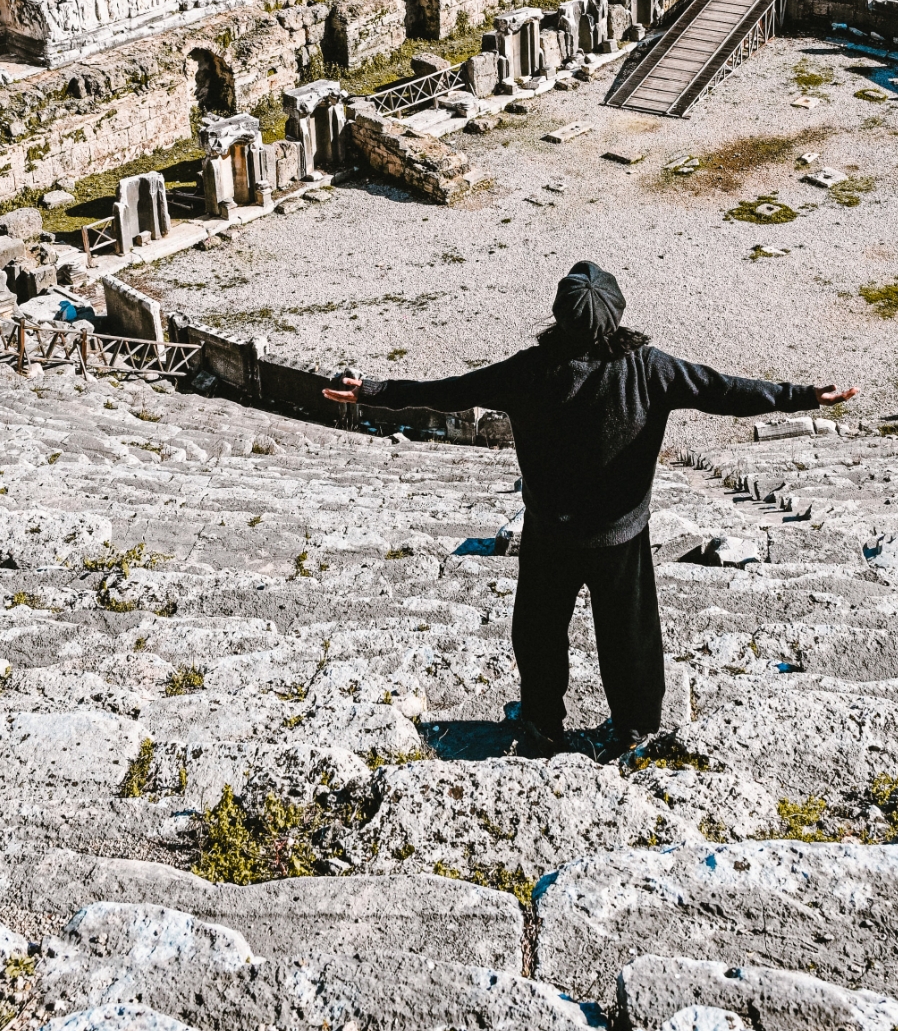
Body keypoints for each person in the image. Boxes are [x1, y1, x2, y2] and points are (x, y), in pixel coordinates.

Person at [324, 261, 856, 760]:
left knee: (538, 635)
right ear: (618, 315)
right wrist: (802, 396)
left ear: (559, 316)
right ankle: (635, 729)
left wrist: (372, 390)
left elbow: (450, 392)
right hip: (620, 537)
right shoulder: (650, 370)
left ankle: (541, 727)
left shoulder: (528, 370)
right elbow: (724, 391)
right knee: (631, 638)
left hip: (549, 534)